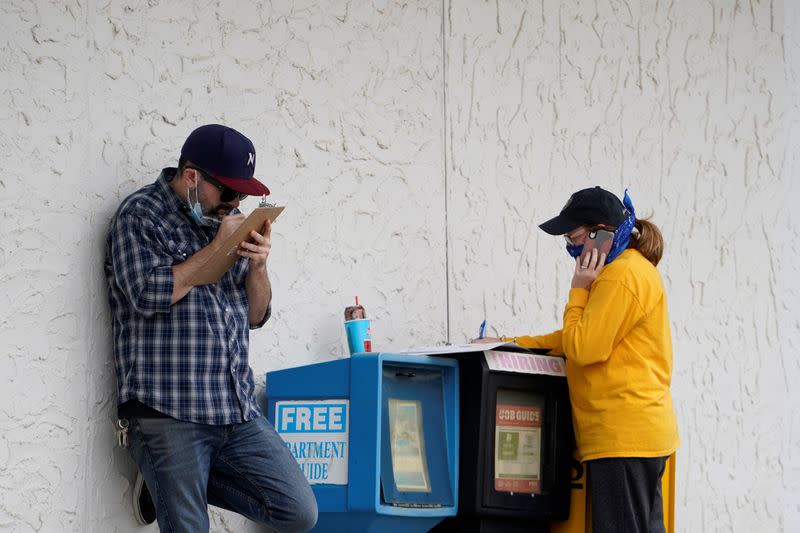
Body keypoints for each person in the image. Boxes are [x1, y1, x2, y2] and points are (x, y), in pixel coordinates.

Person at [104, 124, 318, 532]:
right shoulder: (141, 215)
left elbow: (256, 315)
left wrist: (258, 265)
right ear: (191, 177)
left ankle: (165, 482)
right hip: (168, 409)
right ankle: (166, 475)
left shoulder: (230, 222)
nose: (236, 203)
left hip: (233, 408)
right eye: (229, 192)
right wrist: (218, 249)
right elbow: (148, 294)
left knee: (297, 510)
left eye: (244, 195)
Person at [478, 186, 679, 533]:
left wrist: (579, 288)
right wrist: (511, 343)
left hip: (621, 438)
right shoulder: (631, 270)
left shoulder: (620, 276)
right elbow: (575, 337)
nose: (571, 249)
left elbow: (583, 347)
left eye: (573, 238)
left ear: (601, 234)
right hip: (639, 435)